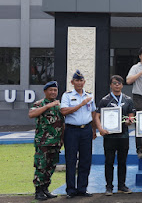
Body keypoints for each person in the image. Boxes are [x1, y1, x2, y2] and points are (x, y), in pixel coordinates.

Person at [94, 75, 135, 196]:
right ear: (111, 85)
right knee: (109, 162)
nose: (117, 85)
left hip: (123, 136)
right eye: (114, 83)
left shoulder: (128, 99)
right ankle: (109, 186)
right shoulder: (105, 100)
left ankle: (122, 185)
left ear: (122, 85)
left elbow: (131, 114)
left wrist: (130, 120)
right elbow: (97, 116)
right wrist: (100, 128)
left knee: (122, 162)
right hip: (109, 136)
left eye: (119, 83)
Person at [60, 70, 97, 199]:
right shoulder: (67, 96)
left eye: (81, 80)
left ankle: (82, 188)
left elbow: (93, 113)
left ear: (84, 82)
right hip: (72, 130)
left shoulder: (90, 96)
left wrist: (93, 130)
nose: (79, 83)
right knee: (71, 160)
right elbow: (64, 111)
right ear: (72, 82)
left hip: (86, 130)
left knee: (86, 160)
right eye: (77, 80)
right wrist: (81, 104)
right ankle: (71, 190)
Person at [29, 81, 64, 201]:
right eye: (51, 90)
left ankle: (45, 189)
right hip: (43, 142)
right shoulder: (39, 103)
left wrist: (62, 139)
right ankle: (38, 191)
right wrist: (47, 106)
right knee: (41, 166)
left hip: (56, 142)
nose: (53, 92)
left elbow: (62, 123)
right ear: (45, 91)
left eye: (55, 90)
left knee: (51, 167)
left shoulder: (60, 106)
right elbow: (31, 114)